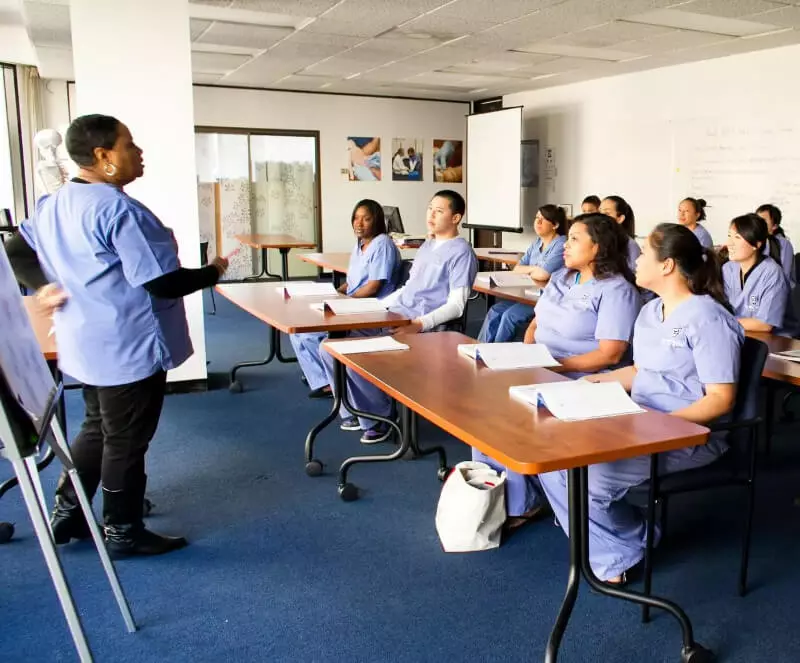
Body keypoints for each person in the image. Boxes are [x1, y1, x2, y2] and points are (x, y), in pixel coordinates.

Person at [6, 114, 229, 558]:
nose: (139, 152)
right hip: (127, 345)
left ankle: (70, 510)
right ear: (104, 156)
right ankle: (123, 529)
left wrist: (42, 284)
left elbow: (15, 247)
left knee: (97, 428)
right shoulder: (118, 210)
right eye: (130, 144)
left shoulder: (55, 203)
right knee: (125, 438)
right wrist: (214, 271)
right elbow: (162, 283)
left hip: (85, 344)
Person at [538, 223, 742, 583]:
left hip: (687, 434)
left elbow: (721, 399)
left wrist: (661, 426)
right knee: (554, 458)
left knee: (588, 478)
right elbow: (638, 370)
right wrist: (589, 382)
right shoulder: (651, 312)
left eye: (645, 253)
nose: (636, 261)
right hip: (639, 421)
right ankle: (628, 540)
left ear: (667, 265)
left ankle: (622, 550)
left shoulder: (708, 318)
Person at [474, 213, 642, 528]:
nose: (566, 245)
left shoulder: (616, 290)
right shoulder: (563, 277)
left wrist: (555, 366)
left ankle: (524, 502)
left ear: (598, 247)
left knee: (517, 414)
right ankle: (507, 493)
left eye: (575, 239)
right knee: (488, 410)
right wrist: (527, 356)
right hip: (543, 366)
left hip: (583, 377)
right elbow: (535, 323)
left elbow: (610, 353)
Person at [320, 190, 477, 444]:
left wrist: (418, 324)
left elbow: (457, 306)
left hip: (418, 325)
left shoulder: (461, 252)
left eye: (439, 211)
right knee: (329, 346)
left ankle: (380, 418)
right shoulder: (427, 246)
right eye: (430, 208)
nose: (431, 215)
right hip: (396, 315)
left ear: (456, 217)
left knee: (350, 349)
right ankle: (355, 411)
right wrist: (377, 308)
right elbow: (408, 289)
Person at [289, 200, 400, 398]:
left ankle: (330, 381)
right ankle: (325, 380)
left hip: (371, 307)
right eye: (356, 218)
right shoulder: (360, 245)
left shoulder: (382, 244)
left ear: (377, 222)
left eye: (366, 219)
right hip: (353, 302)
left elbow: (374, 287)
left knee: (307, 334)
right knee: (296, 330)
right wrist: (334, 294)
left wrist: (344, 300)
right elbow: (352, 282)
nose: (359, 223)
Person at [477, 204, 566, 343]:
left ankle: (496, 356)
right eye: (537, 218)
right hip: (528, 294)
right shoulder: (537, 242)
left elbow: (543, 275)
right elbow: (517, 269)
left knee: (509, 316)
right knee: (495, 310)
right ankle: (480, 348)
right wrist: (534, 269)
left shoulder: (561, 244)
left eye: (543, 219)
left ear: (555, 225)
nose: (538, 222)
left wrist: (532, 270)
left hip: (546, 298)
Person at [723, 213, 791, 335]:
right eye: (729, 236)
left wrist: (723, 322)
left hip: (770, 341)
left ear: (757, 244)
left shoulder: (772, 273)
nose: (729, 243)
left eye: (737, 238)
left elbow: (764, 324)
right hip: (738, 334)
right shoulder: (728, 269)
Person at [756, 203, 795, 286]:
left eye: (763, 221)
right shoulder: (753, 241)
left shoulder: (784, 244)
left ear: (774, 226)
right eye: (756, 219)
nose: (757, 224)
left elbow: (783, 277)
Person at [599, 195, 640, 272]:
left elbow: (636, 276)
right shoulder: (597, 240)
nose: (600, 217)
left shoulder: (631, 246)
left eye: (607, 213)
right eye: (600, 212)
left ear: (620, 218)